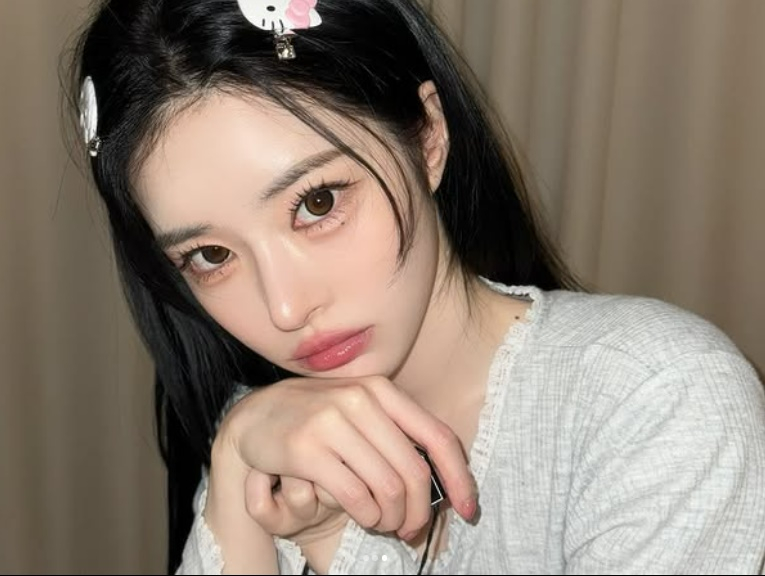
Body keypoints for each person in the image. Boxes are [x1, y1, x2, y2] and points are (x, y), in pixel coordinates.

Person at [65, 0, 765, 574]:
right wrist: (235, 475)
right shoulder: (267, 440)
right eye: (211, 255)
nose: (286, 308)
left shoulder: (650, 396)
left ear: (427, 135)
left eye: (316, 203)